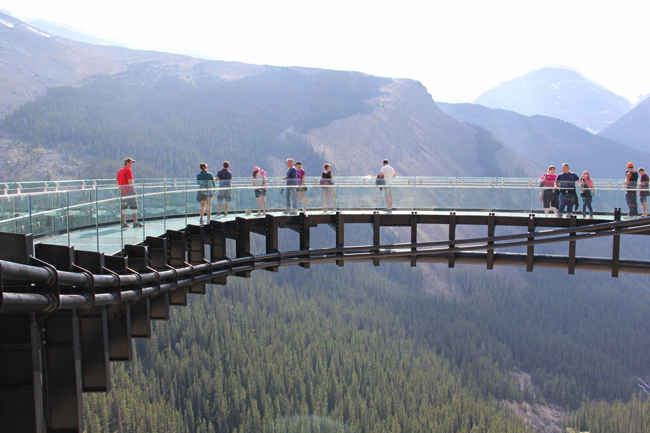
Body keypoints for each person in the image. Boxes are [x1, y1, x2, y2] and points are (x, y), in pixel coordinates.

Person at [116, 157, 142, 229]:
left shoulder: (119, 171)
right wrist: (133, 191)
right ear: (127, 163)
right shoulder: (128, 170)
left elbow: (118, 182)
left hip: (122, 192)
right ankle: (135, 222)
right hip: (129, 191)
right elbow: (130, 181)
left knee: (123, 208)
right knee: (133, 206)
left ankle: (124, 223)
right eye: (131, 163)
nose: (132, 164)